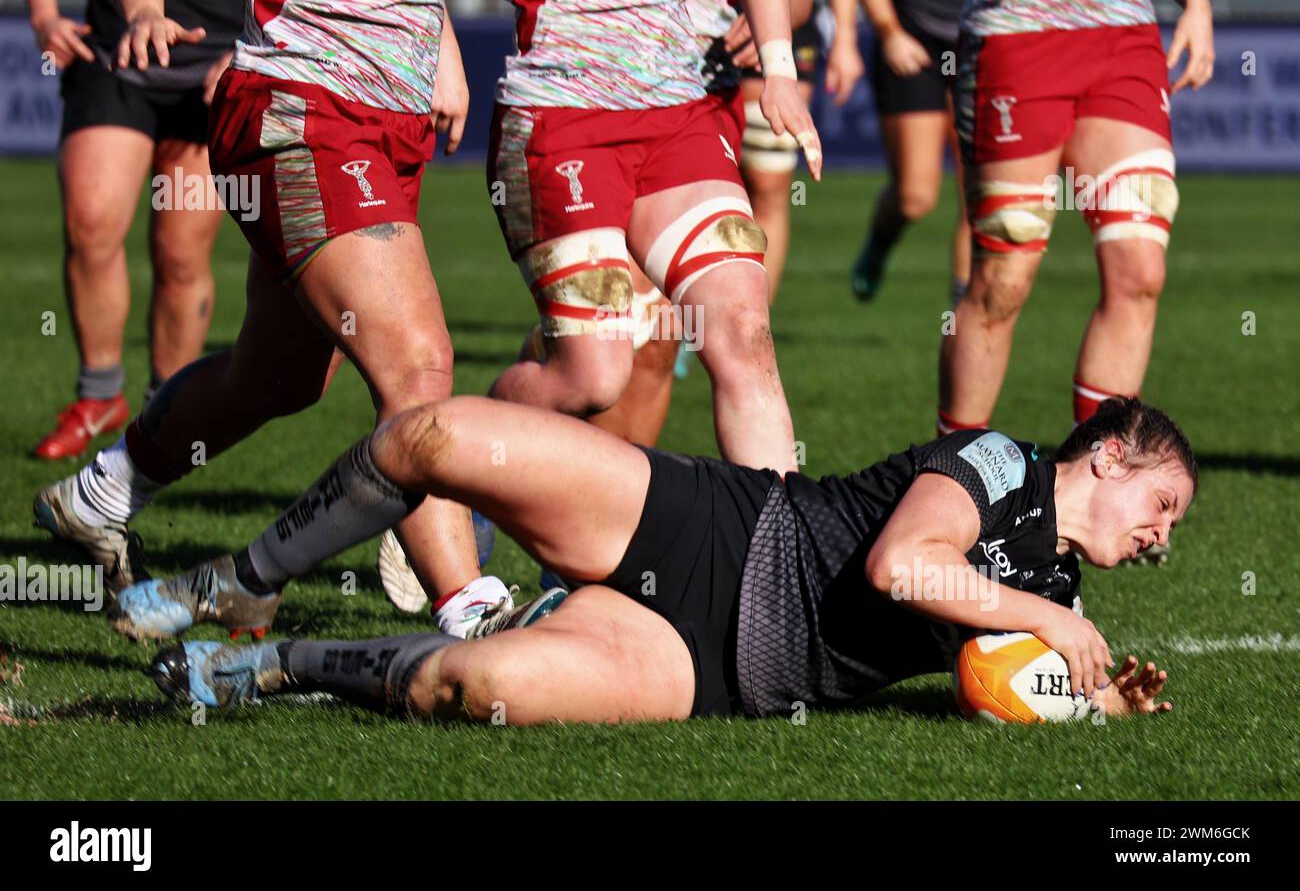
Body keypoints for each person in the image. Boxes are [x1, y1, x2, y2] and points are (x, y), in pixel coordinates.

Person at [33, 0, 567, 639]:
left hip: (394, 123)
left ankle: (103, 492)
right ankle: (470, 606)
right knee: (416, 363)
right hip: (293, 117)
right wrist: (145, 6)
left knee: (278, 377)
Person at [144, 394, 1190, 724]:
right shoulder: (997, 459)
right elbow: (903, 565)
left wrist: (1090, 698)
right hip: (710, 528)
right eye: (1162, 503)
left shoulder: (1055, 587)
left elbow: (986, 683)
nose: (1163, 533)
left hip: (717, 672)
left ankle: (269, 666)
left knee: (467, 684)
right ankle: (241, 583)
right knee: (438, 438)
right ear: (1106, 455)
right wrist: (1049, 623)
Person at [476, 0, 822, 483]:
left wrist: (779, 69)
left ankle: (780, 558)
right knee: (596, 374)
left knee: (743, 334)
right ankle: (447, 450)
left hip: (680, 111)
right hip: (564, 114)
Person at [894, 0, 1213, 508]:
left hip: (1124, 41)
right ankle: (949, 486)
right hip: (1019, 35)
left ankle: (1092, 491)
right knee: (1003, 280)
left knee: (1139, 271)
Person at [18, 0, 244, 459]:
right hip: (114, 64)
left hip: (210, 71)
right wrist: (43, 18)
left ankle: (165, 412)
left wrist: (249, 50)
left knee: (180, 253)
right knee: (90, 224)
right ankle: (99, 396)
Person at [737, 0, 864, 301]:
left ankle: (749, 327)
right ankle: (672, 320)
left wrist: (846, 37)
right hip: (690, 4)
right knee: (697, 179)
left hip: (784, 4)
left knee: (768, 183)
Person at [851, 0, 976, 305]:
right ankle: (881, 240)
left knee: (979, 195)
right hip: (916, 44)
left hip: (980, 44)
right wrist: (889, 33)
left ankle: (964, 315)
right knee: (915, 197)